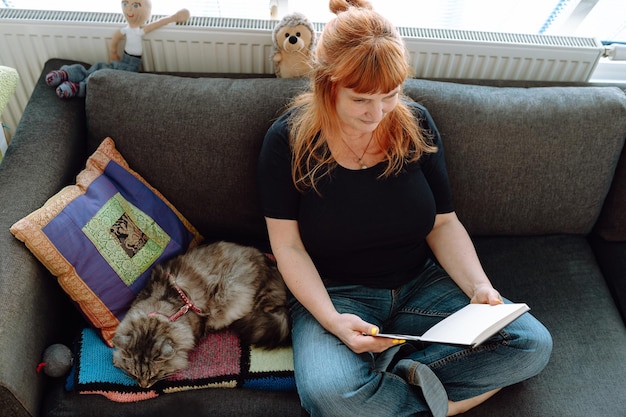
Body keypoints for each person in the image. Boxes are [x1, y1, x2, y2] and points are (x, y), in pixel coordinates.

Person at [257, 0, 552, 416]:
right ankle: (437, 397)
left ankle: (402, 379)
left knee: (531, 343)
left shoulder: (416, 123)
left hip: (422, 284)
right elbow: (287, 247)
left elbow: (444, 224)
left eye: (390, 96)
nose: (377, 114)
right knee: (329, 393)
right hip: (337, 295)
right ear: (327, 85)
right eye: (361, 99)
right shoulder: (286, 141)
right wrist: (332, 320)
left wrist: (478, 288)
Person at [45, 0, 189, 98]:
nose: (129, 9)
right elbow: (114, 40)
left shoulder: (140, 31)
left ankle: (77, 88)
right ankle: (66, 74)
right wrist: (113, 52)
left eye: (135, 5)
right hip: (122, 60)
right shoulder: (126, 30)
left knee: (102, 79)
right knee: (99, 67)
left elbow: (157, 24)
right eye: (125, 4)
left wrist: (174, 17)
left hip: (131, 68)